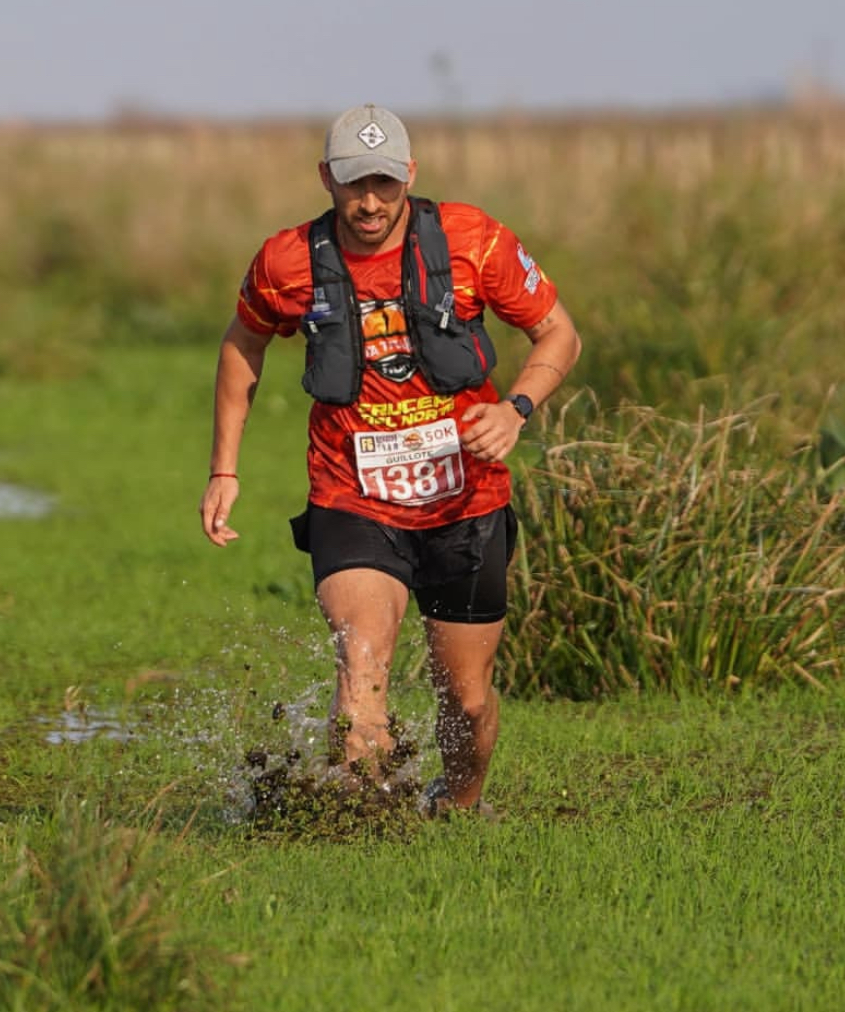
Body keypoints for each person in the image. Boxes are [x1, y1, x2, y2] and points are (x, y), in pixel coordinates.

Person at [201, 105, 582, 815]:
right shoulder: (287, 260)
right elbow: (240, 344)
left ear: (408, 174)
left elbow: (558, 333)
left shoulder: (473, 241)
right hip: (353, 499)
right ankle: (359, 825)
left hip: (466, 505)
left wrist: (515, 410)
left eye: (382, 183)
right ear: (326, 179)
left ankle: (457, 808)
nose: (368, 202)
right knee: (361, 670)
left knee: (465, 701)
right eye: (352, 184)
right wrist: (225, 468)